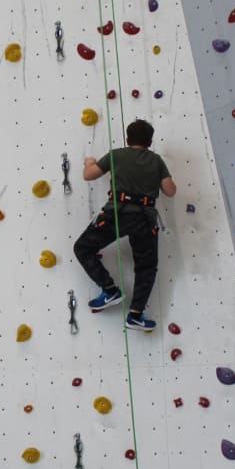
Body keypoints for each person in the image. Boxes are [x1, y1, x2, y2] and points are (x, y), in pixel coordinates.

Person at [75, 119, 176, 334]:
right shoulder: (156, 161)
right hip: (145, 219)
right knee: (146, 266)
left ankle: (110, 290)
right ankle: (136, 314)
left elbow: (88, 175)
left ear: (128, 138)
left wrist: (88, 162)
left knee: (83, 248)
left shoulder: (117, 155)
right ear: (149, 141)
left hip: (117, 214)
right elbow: (170, 190)